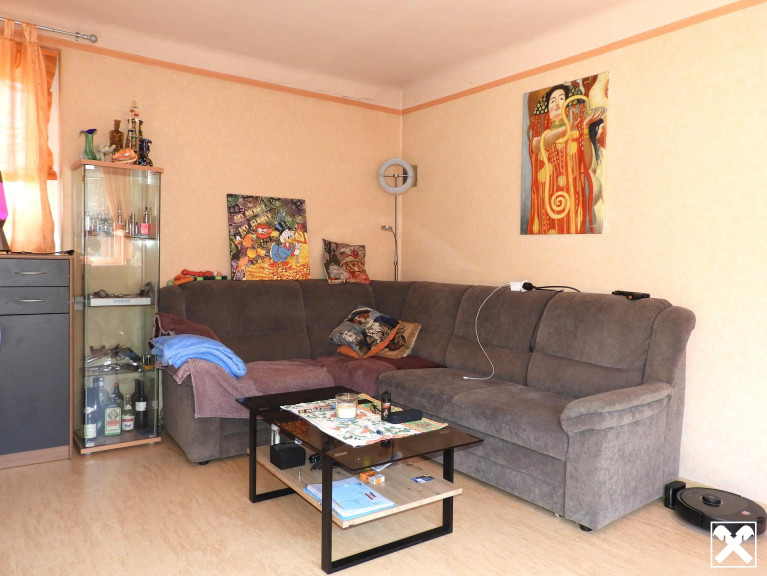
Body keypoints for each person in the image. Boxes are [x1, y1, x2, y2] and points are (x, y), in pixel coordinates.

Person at [526, 83, 605, 234]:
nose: (557, 103)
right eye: (552, 100)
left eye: (561, 98)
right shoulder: (539, 139)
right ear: (547, 108)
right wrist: (568, 128)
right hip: (545, 202)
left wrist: (585, 129)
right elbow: (538, 145)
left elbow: (588, 164)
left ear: (567, 104)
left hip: (572, 201)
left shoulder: (575, 134)